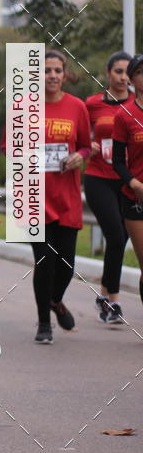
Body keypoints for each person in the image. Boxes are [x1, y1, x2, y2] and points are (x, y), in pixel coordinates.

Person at [31, 51, 91, 344]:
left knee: (66, 266)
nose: (52, 75)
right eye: (46, 71)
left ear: (64, 74)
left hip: (67, 197)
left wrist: (79, 156)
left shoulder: (77, 107)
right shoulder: (22, 108)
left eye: (56, 70)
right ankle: (44, 324)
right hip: (34, 198)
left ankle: (55, 301)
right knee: (45, 262)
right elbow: (7, 146)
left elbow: (85, 146)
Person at [84, 51, 132, 324]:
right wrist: (86, 144)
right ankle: (112, 302)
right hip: (99, 177)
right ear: (107, 73)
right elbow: (77, 133)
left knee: (121, 240)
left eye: (128, 72)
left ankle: (103, 294)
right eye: (118, 71)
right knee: (115, 236)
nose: (123, 77)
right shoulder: (91, 104)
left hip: (128, 181)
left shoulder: (138, 107)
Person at [112, 53, 143, 318]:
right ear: (132, 79)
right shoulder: (124, 116)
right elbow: (117, 162)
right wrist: (134, 184)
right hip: (134, 198)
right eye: (141, 72)